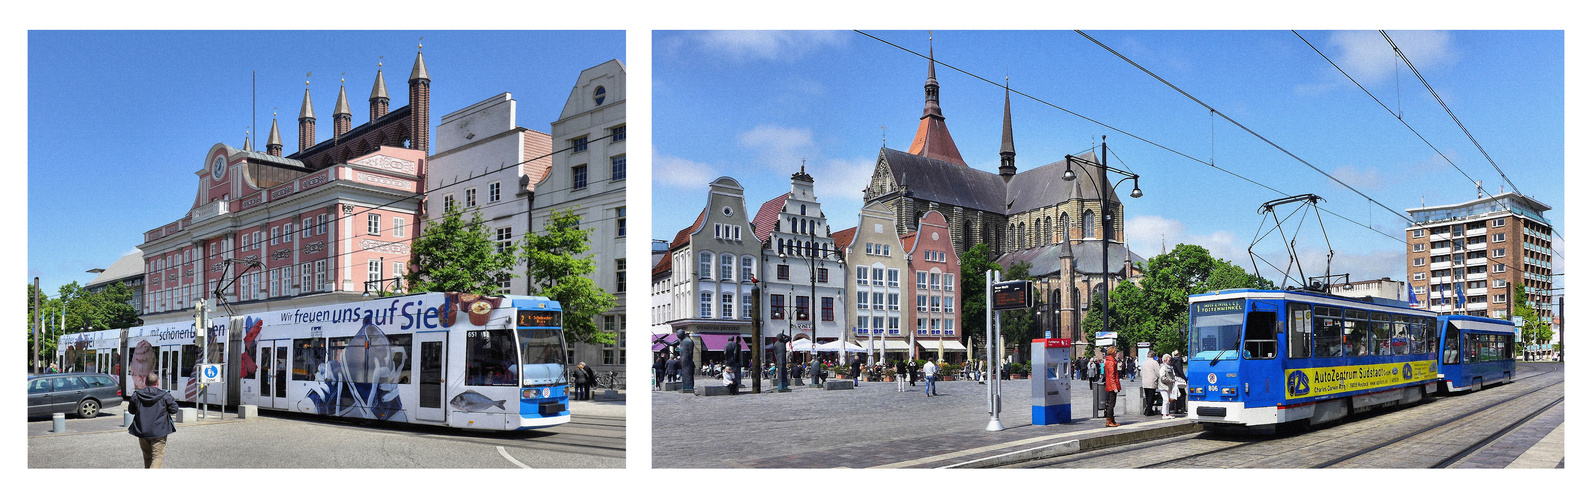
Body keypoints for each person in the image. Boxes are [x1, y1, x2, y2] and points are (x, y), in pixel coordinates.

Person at [127, 372, 178, 468]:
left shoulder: (137, 395)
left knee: (147, 457)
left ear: (145, 383)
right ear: (158, 382)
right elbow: (174, 409)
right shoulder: (165, 395)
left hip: (142, 431)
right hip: (159, 431)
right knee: (157, 457)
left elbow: (131, 411)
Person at [1102, 346, 1121, 427]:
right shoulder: (1111, 362)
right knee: (1111, 404)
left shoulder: (1109, 361)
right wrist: (1114, 387)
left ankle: (1112, 420)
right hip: (1111, 386)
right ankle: (1109, 421)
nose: (1116, 353)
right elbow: (1111, 376)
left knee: (1111, 403)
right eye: (1115, 352)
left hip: (1110, 385)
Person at [1139, 351, 1161, 416]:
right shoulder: (1154, 363)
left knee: (1147, 397)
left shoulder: (1144, 362)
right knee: (1151, 397)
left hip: (1145, 382)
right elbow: (1158, 372)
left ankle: (1150, 410)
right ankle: (1148, 411)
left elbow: (1141, 373)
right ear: (1153, 356)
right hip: (1152, 381)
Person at [1157, 354, 1178, 419]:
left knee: (1167, 400)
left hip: (1168, 386)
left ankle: (1167, 413)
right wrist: (1171, 381)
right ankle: (1164, 414)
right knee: (1165, 400)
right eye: (1169, 360)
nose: (1170, 361)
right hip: (1163, 386)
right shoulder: (1163, 368)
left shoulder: (1169, 367)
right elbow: (1162, 378)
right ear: (1165, 360)